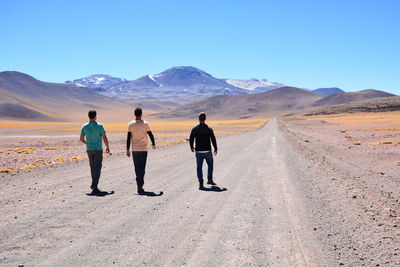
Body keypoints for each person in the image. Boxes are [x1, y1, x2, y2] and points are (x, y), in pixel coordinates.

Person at [126, 107, 156, 194]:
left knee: (137, 168)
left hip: (135, 149)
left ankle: (139, 184)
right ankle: (140, 185)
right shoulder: (145, 123)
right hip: (143, 149)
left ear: (135, 114)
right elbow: (150, 134)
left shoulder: (130, 124)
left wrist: (127, 149)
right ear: (141, 114)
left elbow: (128, 138)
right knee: (142, 168)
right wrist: (153, 144)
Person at [80, 110, 110, 194]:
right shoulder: (100, 126)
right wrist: (107, 147)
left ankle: (94, 184)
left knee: (92, 167)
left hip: (89, 149)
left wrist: (88, 143)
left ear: (88, 116)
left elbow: (81, 139)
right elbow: (104, 137)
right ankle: (94, 185)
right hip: (98, 149)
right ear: (95, 116)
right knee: (98, 167)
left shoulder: (84, 126)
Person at [189, 112, 218, 189]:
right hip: (207, 151)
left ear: (198, 119)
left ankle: (201, 183)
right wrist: (215, 148)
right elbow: (213, 139)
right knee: (210, 165)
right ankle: (210, 179)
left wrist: (191, 147)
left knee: (199, 167)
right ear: (205, 119)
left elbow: (191, 138)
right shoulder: (209, 129)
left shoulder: (195, 129)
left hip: (198, 152)